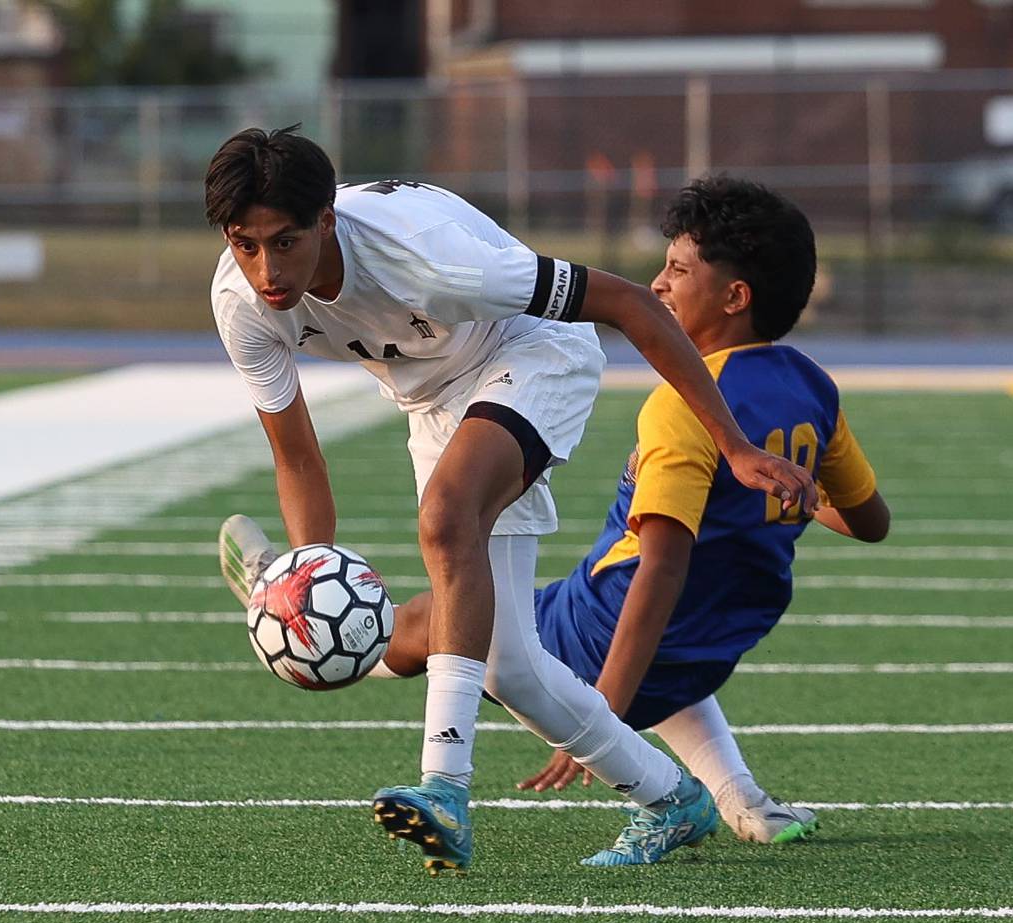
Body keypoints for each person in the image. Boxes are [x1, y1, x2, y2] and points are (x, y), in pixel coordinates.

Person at [207, 125, 817, 875]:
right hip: (433, 401)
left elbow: (628, 304)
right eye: (245, 243)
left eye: (286, 241)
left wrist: (734, 445)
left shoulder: (432, 262)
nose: (267, 268)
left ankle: (445, 787)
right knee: (509, 669)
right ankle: (670, 798)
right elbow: (298, 457)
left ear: (328, 220)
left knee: (445, 519)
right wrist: (307, 577)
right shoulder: (241, 302)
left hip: (533, 353)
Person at [325, 176, 893, 847]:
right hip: (719, 641)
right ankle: (745, 800)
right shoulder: (812, 386)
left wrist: (601, 718)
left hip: (605, 635)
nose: (658, 285)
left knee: (431, 618)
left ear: (735, 297)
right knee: (650, 630)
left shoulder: (685, 404)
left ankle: (311, 629)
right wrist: (797, 496)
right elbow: (869, 521)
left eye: (679, 270)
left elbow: (660, 570)